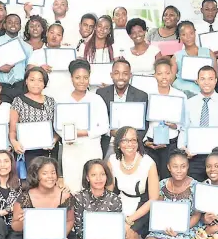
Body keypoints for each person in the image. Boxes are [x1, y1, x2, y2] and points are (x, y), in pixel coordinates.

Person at [10, 157, 75, 239]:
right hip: (31, 238)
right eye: (45, 173)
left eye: (53, 172)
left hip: (55, 237)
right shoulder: (25, 197)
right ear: (36, 175)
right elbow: (15, 226)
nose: (50, 176)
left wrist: (62, 236)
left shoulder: (65, 195)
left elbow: (70, 220)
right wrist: (23, 222)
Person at [107, 125, 159, 239]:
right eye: (124, 140)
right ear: (118, 143)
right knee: (116, 227)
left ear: (138, 142)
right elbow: (109, 192)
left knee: (127, 230)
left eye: (133, 140)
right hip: (121, 199)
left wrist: (130, 219)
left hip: (143, 203)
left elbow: (154, 198)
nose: (129, 144)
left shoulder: (148, 163)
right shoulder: (112, 160)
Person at [144, 149, 201, 239]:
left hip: (187, 228)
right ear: (169, 167)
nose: (179, 170)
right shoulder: (162, 184)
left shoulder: (196, 186)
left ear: (188, 166)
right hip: (164, 227)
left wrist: (180, 230)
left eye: (183, 166)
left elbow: (197, 215)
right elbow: (156, 209)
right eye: (175, 166)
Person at [57, 60, 109, 193]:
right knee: (72, 187)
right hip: (70, 150)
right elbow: (57, 126)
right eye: (77, 77)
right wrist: (69, 134)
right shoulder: (62, 99)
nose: (82, 81)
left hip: (91, 148)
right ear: (71, 78)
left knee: (92, 185)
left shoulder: (96, 99)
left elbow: (104, 127)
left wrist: (83, 133)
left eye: (85, 78)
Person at [179, 66, 218, 182]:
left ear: (216, 80)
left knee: (217, 191)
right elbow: (184, 128)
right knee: (194, 190)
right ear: (197, 81)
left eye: (210, 79)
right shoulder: (189, 103)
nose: (206, 82)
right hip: (194, 156)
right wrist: (182, 148)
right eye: (203, 79)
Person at [74, 159, 123, 239]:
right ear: (87, 177)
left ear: (107, 176)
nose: (99, 178)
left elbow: (117, 230)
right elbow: (78, 226)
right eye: (94, 175)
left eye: (102, 174)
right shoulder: (79, 197)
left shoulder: (114, 199)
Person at [144, 58, 188, 180]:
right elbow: (141, 121)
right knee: (150, 177)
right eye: (160, 73)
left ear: (172, 74)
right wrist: (145, 142)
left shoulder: (180, 96)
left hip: (171, 143)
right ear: (154, 75)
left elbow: (185, 122)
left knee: (167, 177)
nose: (164, 77)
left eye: (167, 73)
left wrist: (175, 126)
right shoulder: (148, 95)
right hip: (151, 143)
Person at [96, 59, 148, 159]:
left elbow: (144, 126)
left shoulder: (141, 96)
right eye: (116, 73)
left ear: (130, 75)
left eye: (125, 74)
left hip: (131, 146)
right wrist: (110, 132)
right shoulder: (101, 93)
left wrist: (130, 139)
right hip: (108, 143)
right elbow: (97, 120)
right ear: (111, 75)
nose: (120, 77)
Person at [9, 67, 59, 170]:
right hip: (26, 152)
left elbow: (57, 128)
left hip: (48, 151)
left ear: (44, 83)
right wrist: (14, 143)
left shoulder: (51, 101)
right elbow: (12, 130)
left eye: (40, 80)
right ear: (26, 81)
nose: (36, 83)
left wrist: (53, 140)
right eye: (32, 80)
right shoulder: (18, 101)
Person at [0, 14, 33, 103]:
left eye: (16, 23)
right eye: (10, 22)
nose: (13, 25)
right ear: (4, 25)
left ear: (20, 26)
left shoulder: (27, 47)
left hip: (21, 87)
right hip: (1, 87)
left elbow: (29, 69)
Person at [26, 23, 73, 99]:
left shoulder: (69, 52)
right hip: (44, 94)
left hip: (67, 93)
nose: (54, 37)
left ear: (62, 38)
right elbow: (28, 69)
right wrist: (39, 69)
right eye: (51, 33)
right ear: (47, 33)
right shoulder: (37, 53)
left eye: (58, 35)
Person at [172, 21, 217, 98]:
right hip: (181, 92)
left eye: (191, 33)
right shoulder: (176, 56)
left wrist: (203, 80)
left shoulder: (208, 52)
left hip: (204, 93)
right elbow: (171, 78)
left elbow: (216, 74)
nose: (188, 37)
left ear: (195, 32)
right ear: (179, 36)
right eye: (184, 34)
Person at [194, 0, 218, 96]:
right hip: (202, 70)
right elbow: (193, 49)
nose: (210, 12)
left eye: (213, 9)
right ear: (201, 10)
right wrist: (210, 55)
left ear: (217, 10)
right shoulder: (195, 28)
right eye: (207, 9)